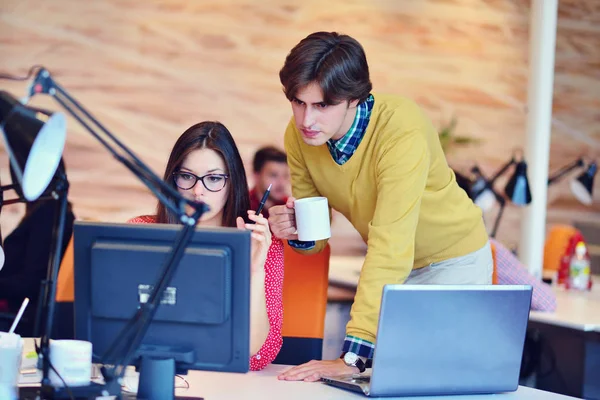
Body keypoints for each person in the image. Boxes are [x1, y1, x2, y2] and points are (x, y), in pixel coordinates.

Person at [269, 32, 491, 381]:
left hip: (452, 261)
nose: (305, 120)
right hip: (395, 264)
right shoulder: (299, 136)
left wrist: (351, 358)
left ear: (354, 98)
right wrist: (298, 231)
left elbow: (390, 245)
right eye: (298, 102)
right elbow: (317, 236)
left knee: (430, 382)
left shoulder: (400, 131)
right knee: (387, 382)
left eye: (322, 105)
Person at [128, 121, 284, 371]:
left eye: (213, 178)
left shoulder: (263, 243)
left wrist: (255, 270)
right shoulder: (141, 232)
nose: (198, 191)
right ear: (173, 178)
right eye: (187, 176)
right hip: (155, 375)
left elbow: (258, 354)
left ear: (232, 181)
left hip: (229, 386)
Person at [249, 146, 290, 220]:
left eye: (285, 176)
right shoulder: (242, 206)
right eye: (273, 175)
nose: (281, 183)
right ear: (256, 176)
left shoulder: (289, 207)